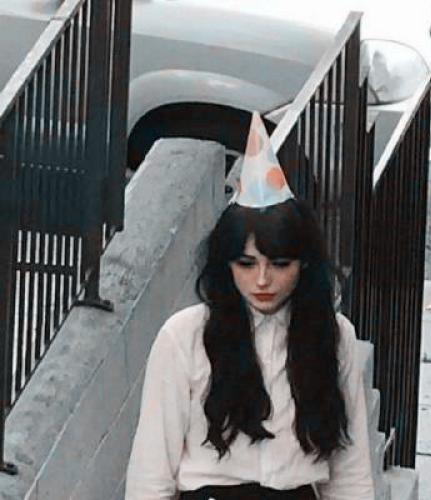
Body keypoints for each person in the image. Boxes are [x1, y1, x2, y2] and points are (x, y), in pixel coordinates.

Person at [125, 112, 375, 500]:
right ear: (226, 265)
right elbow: (152, 467)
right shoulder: (185, 335)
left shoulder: (333, 334)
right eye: (246, 264)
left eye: (279, 264)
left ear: (304, 265)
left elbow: (350, 469)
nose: (261, 280)